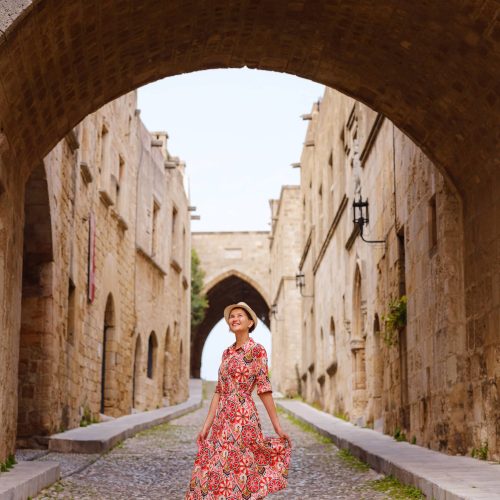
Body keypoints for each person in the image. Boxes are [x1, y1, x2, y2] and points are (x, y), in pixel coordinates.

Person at [186, 301, 292, 499]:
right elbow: (218, 391)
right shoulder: (226, 353)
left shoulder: (257, 350)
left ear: (250, 322)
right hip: (221, 422)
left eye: (239, 316)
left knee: (241, 471)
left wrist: (278, 428)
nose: (234, 319)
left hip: (243, 420)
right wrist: (205, 427)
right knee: (218, 471)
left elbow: (264, 389)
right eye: (232, 316)